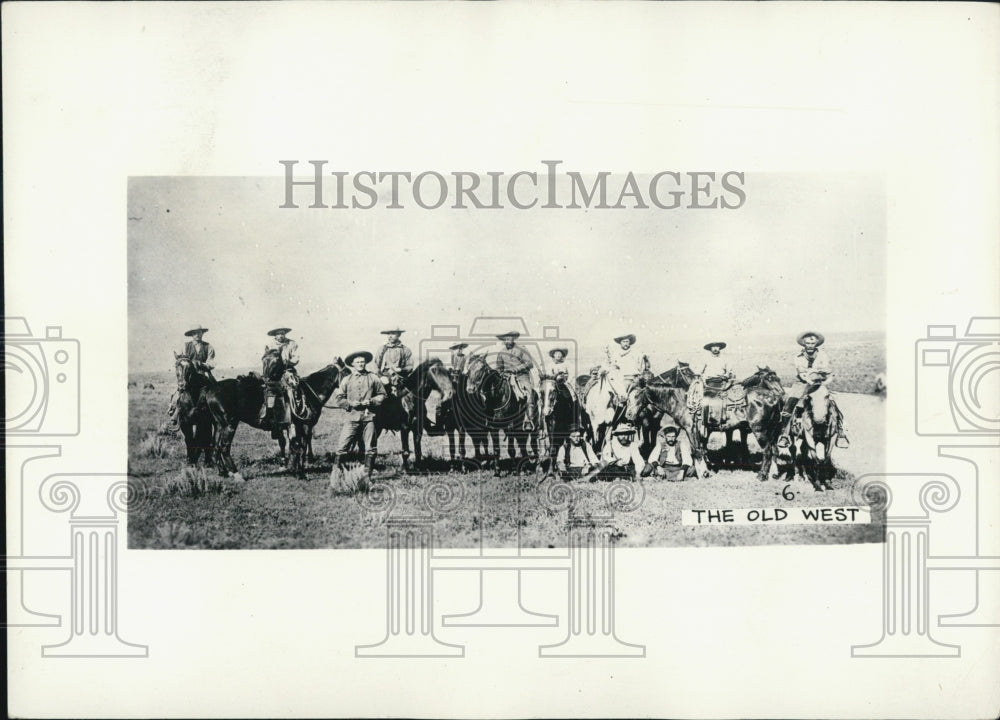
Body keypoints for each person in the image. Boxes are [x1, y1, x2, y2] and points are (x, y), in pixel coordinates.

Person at [777, 331, 849, 448]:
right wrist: (812, 374)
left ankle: (841, 432)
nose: (810, 346)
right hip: (802, 383)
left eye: (813, 343)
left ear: (816, 344)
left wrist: (822, 375)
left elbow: (825, 370)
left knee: (833, 403)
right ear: (804, 344)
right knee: (789, 404)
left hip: (818, 383)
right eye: (808, 343)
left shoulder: (823, 355)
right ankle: (785, 435)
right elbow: (801, 373)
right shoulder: (797, 357)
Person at [331, 350, 387, 480]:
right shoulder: (346, 379)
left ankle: (366, 477)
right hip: (351, 418)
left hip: (369, 418)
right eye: (358, 362)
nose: (361, 364)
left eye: (363, 362)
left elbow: (383, 395)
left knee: (370, 448)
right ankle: (337, 476)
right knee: (342, 447)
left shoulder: (373, 378)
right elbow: (339, 398)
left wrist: (372, 401)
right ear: (352, 364)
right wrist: (350, 403)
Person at [167, 324, 216, 420]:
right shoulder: (185, 346)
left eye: (199, 332)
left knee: (215, 390)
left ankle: (215, 415)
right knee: (178, 392)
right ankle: (174, 412)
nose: (197, 335)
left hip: (203, 373)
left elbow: (211, 363)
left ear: (202, 333)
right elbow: (181, 360)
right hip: (188, 374)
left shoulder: (208, 346)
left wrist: (202, 364)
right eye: (195, 333)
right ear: (192, 335)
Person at [493, 331, 539, 430]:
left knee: (529, 392)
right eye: (505, 339)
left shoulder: (521, 349)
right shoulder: (501, 352)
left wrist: (516, 369)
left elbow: (529, 363)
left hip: (521, 376)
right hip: (506, 377)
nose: (507, 341)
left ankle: (529, 419)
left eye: (509, 339)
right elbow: (499, 367)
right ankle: (496, 417)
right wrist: (502, 374)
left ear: (513, 339)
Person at [261, 327, 300, 426]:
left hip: (288, 370)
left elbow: (296, 357)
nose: (281, 335)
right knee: (269, 391)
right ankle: (269, 415)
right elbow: (266, 358)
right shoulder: (270, 345)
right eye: (278, 334)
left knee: (294, 388)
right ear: (275, 335)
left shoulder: (292, 343)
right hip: (273, 373)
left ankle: (296, 412)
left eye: (283, 333)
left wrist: (289, 362)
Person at [603, 333, 649, 400]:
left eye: (627, 341)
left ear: (630, 342)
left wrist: (645, 359)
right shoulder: (615, 354)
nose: (625, 343)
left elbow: (645, 367)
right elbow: (611, 366)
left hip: (634, 380)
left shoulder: (636, 353)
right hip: (621, 381)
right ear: (620, 343)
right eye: (623, 342)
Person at [374, 328, 414, 394]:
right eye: (388, 334)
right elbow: (376, 366)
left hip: (401, 379)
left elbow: (410, 366)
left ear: (399, 335)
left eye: (393, 333)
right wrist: (381, 377)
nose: (390, 336)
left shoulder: (405, 350)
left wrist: (401, 370)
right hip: (385, 378)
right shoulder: (382, 349)